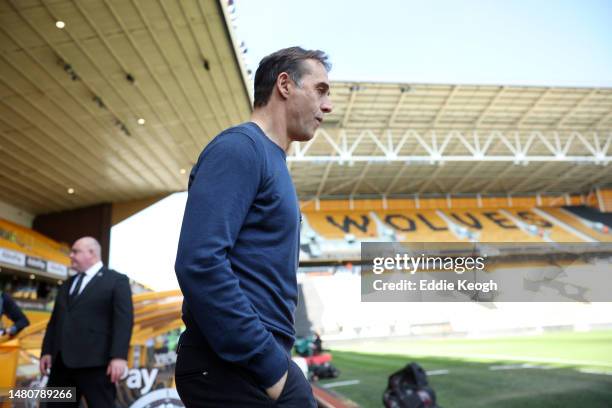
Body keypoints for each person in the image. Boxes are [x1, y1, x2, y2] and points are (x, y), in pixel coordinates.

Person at [174, 46, 333, 407]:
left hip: (249, 360)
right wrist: (270, 366)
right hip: (234, 365)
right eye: (320, 90)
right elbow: (200, 263)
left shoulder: (269, 158)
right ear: (285, 85)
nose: (328, 106)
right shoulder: (240, 149)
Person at [40, 237, 134, 407]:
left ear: (91, 253)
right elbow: (55, 321)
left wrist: (119, 356)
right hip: (61, 365)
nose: (71, 255)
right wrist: (46, 351)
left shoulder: (117, 281)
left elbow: (123, 320)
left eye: (76, 251)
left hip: (97, 365)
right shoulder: (67, 284)